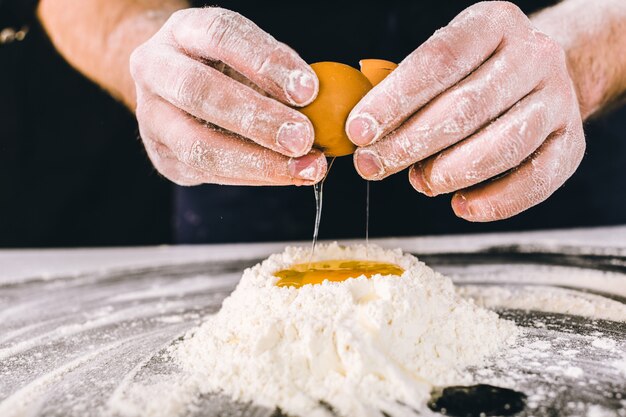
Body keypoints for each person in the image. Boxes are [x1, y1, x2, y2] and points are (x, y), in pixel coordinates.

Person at [2, 0, 625, 246]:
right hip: (247, 166)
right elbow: (94, 10)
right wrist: (162, 64)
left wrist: (578, 57)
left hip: (539, 145)